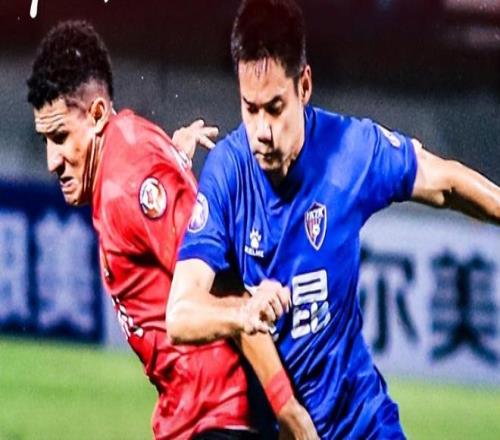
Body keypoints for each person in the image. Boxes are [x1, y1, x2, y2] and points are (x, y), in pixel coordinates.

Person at [167, 0, 500, 438]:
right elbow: (180, 313)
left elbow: (446, 183)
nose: (262, 131)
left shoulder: (350, 149)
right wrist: (242, 312)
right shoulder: (228, 172)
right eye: (250, 109)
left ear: (304, 86)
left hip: (364, 422)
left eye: (275, 108)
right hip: (283, 430)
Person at [27, 20, 316, 440]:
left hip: (218, 418)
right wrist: (174, 160)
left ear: (97, 114)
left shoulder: (129, 181)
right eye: (45, 141)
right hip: (192, 416)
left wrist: (286, 406)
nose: (52, 161)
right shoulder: (126, 149)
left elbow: (227, 286)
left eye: (60, 137)